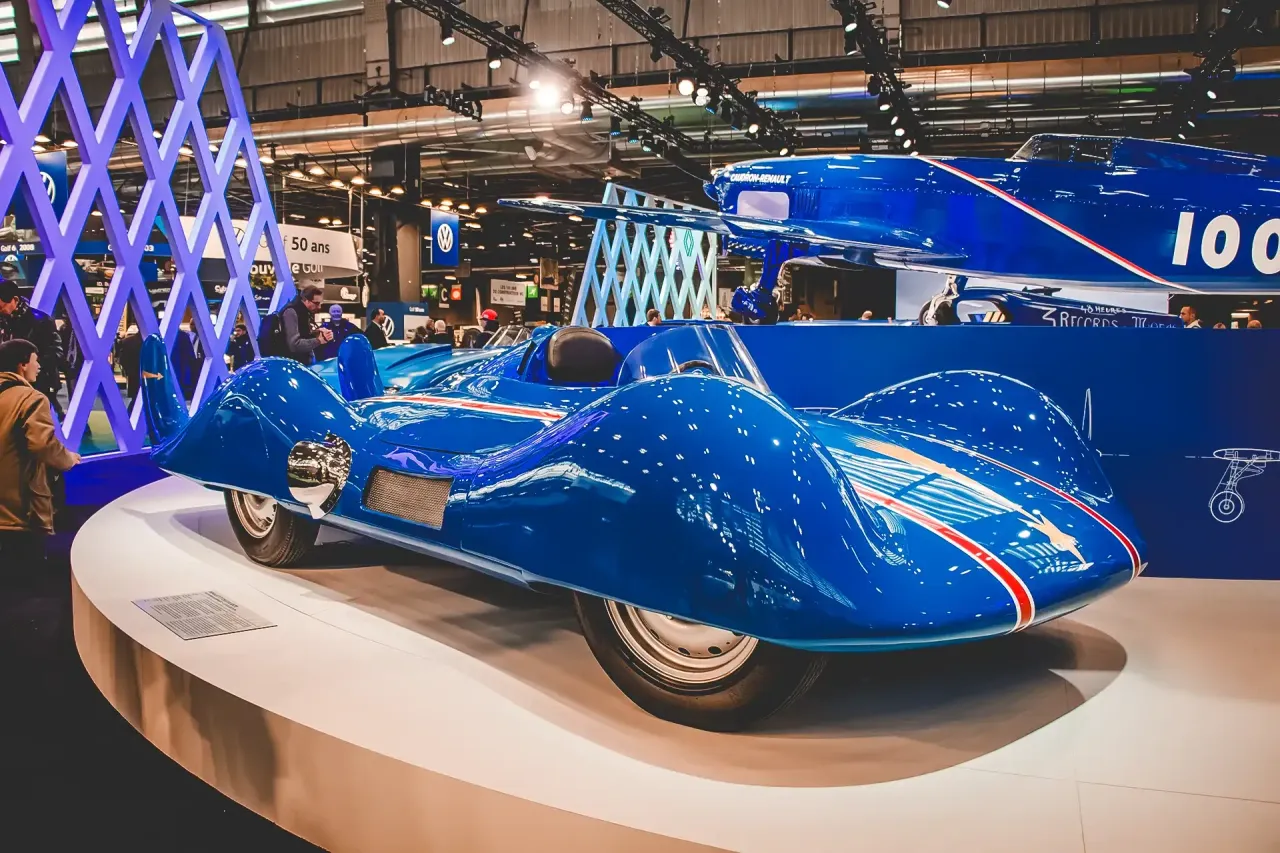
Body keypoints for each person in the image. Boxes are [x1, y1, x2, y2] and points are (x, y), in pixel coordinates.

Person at [0, 339, 80, 572]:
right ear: (22, 365)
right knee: (24, 577)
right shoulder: (31, 399)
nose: (39, 366)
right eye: (35, 361)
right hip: (17, 511)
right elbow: (42, 444)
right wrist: (68, 459)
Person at [0, 281, 63, 417]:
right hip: (10, 381)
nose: (0, 311)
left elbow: (56, 351)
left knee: (42, 417)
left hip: (38, 382)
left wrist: (34, 366)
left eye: (1, 306)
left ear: (15, 300)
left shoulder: (40, 321)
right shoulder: (4, 320)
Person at [281, 284, 332, 365]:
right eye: (316, 303)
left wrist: (317, 333)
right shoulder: (291, 312)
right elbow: (294, 345)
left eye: (320, 303)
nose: (319, 307)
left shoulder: (303, 311)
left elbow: (303, 334)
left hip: (299, 363)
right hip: (292, 365)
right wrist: (319, 340)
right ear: (306, 301)